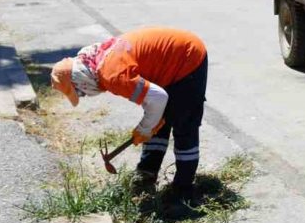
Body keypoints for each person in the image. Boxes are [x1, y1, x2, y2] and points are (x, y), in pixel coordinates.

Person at [50, 27, 208, 213]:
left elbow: (157, 99)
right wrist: (148, 125)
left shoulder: (111, 75)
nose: (84, 95)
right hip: (169, 62)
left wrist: (143, 129)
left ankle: (184, 194)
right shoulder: (98, 60)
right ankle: (146, 174)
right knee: (159, 121)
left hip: (187, 57)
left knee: (184, 124)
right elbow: (154, 100)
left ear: (80, 80)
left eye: (79, 92)